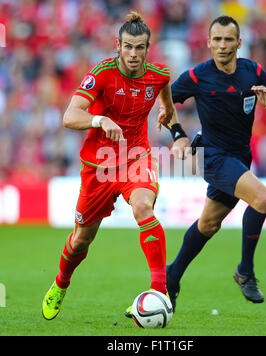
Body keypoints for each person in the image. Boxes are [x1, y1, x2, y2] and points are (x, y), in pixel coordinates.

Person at [42, 12, 174, 320]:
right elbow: (69, 116)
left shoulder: (159, 75)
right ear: (118, 44)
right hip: (98, 164)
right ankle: (61, 283)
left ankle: (160, 292)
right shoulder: (101, 73)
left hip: (136, 156)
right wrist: (99, 119)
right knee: (81, 239)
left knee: (143, 206)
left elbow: (166, 97)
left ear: (148, 47)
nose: (132, 53)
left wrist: (171, 118)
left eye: (139, 47)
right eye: (127, 46)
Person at [166, 16, 266, 311]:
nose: (222, 45)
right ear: (208, 42)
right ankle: (245, 271)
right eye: (217, 39)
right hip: (213, 157)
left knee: (208, 224)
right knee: (262, 199)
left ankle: (172, 275)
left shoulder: (254, 72)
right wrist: (179, 136)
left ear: (239, 42)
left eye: (228, 40)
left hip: (239, 158)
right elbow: (167, 100)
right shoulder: (197, 76)